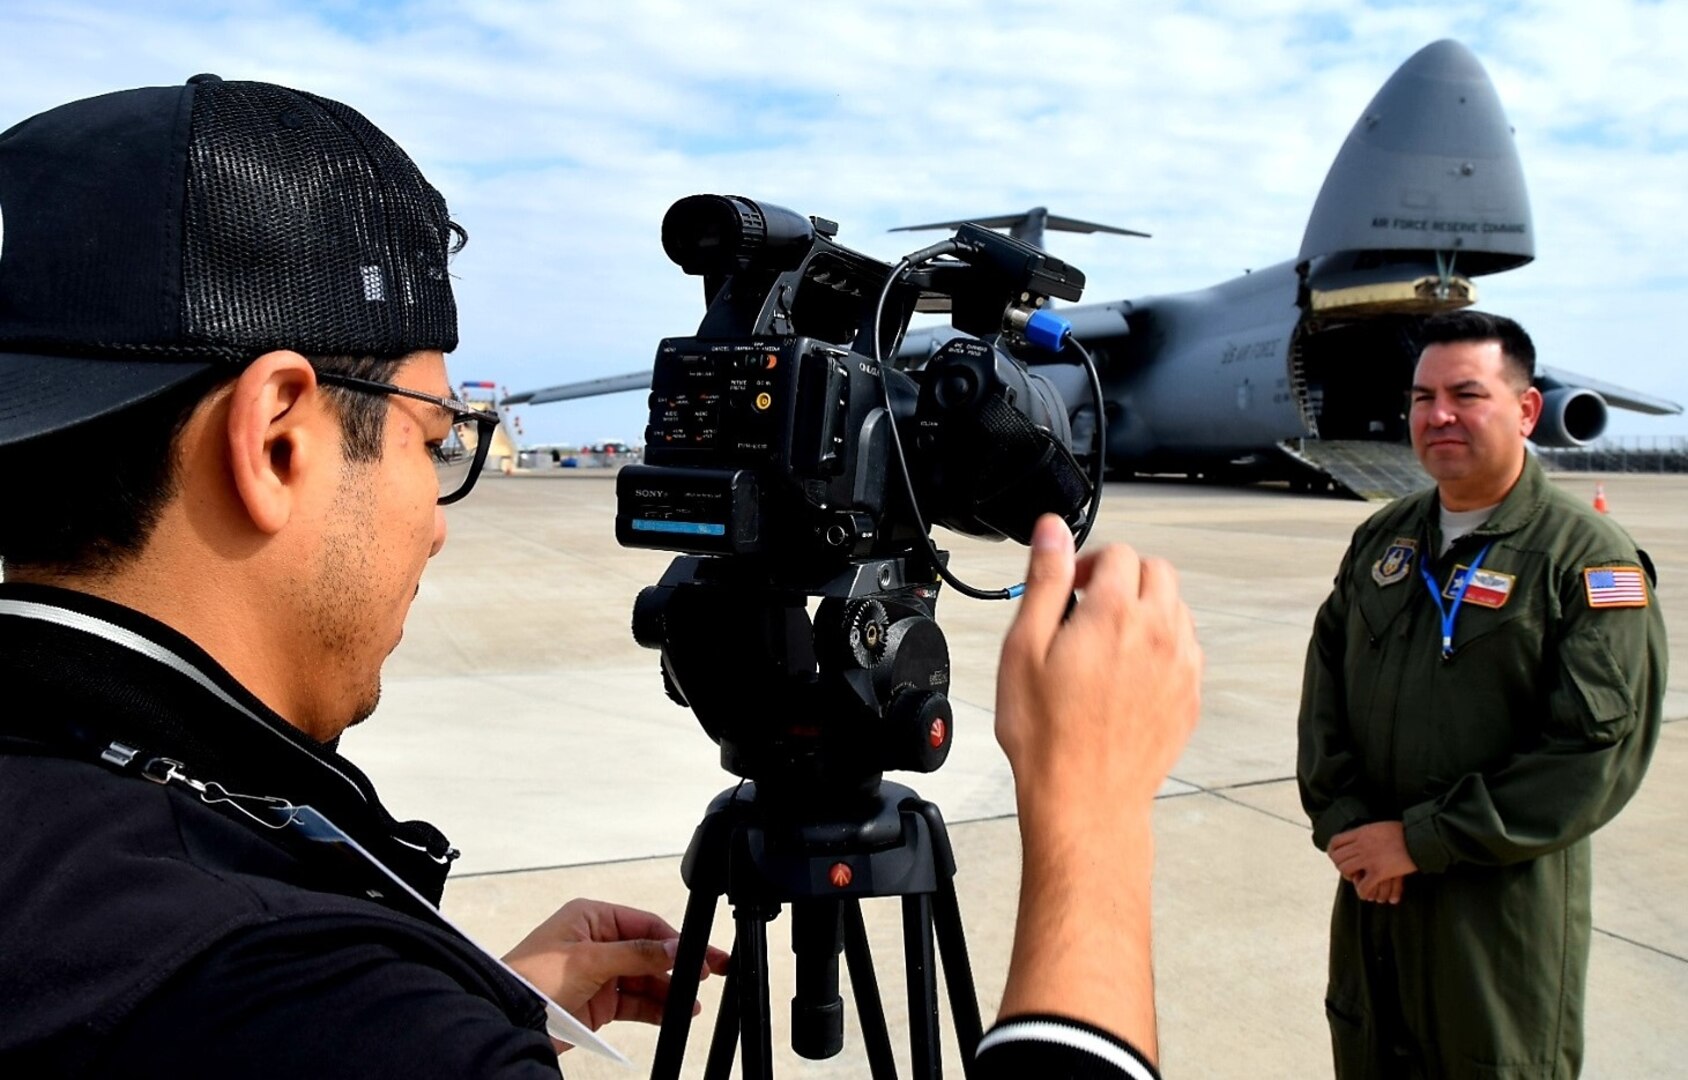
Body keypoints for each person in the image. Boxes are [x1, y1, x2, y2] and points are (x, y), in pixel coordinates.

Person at [0, 78, 1201, 1078]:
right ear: (277, 440)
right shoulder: (297, 1005)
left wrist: (479, 1011)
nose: (436, 527)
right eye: (431, 439)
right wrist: (1092, 823)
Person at [1297, 310, 1666, 1077]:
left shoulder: (1585, 559)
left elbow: (1593, 755)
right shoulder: (1384, 539)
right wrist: (1349, 824)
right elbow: (1324, 688)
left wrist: (1420, 840)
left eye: (1466, 394)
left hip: (1493, 920)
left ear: (1526, 410)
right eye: (1421, 397)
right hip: (1373, 896)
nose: (1438, 416)